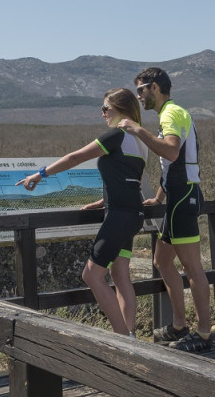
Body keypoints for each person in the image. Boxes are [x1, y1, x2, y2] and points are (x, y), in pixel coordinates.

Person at [16, 87, 146, 335]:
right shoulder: (140, 141)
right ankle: (131, 338)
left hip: (119, 216)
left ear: (120, 109)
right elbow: (129, 181)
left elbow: (75, 157)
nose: (102, 114)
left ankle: (122, 338)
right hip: (133, 214)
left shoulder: (115, 136)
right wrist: (103, 200)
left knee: (92, 276)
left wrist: (40, 174)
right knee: (120, 275)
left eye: (105, 109)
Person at [118, 66, 212, 352]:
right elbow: (175, 161)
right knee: (162, 261)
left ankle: (205, 333)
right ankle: (180, 325)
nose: (138, 96)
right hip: (178, 196)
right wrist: (159, 197)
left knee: (192, 268)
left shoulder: (171, 113)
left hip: (184, 197)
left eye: (140, 90)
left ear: (154, 87)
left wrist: (137, 130)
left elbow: (171, 151)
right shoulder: (171, 114)